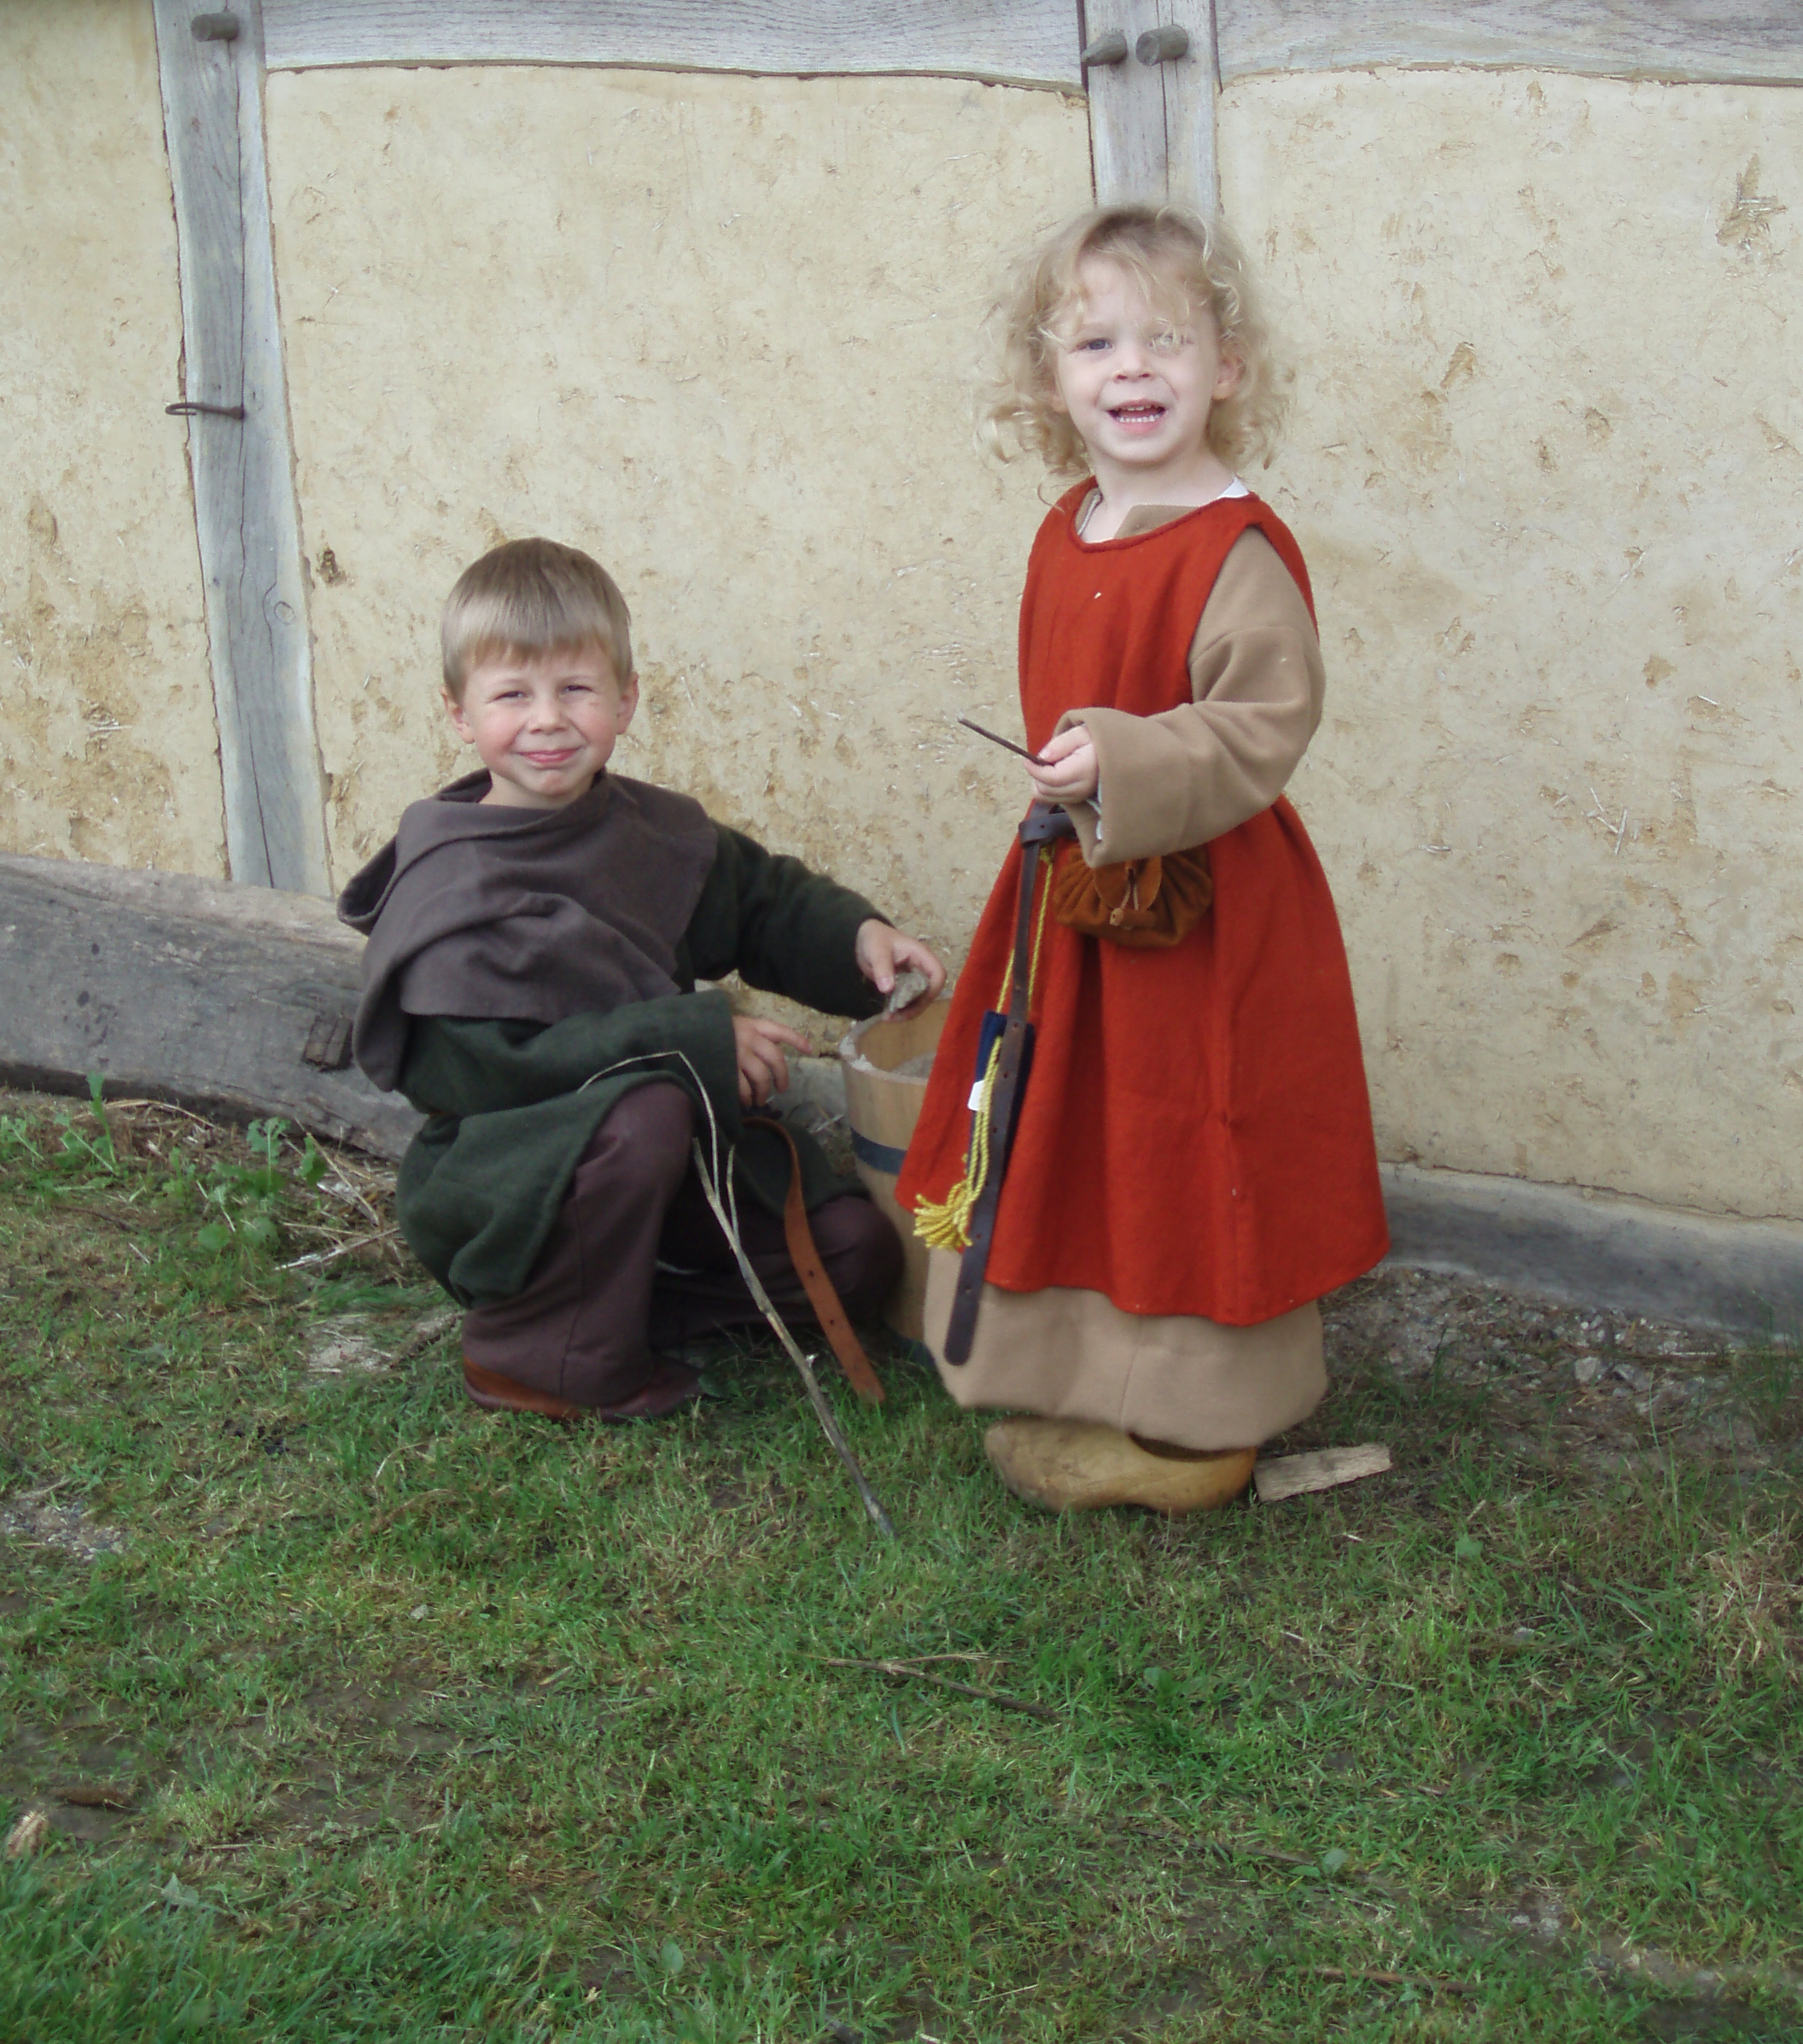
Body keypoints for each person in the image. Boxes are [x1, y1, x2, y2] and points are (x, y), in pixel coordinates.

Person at [896, 204, 1389, 1513]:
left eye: (1168, 339)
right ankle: (1076, 1373)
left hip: (1200, 908)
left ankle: (1198, 1433)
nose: (1133, 368)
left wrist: (1120, 759)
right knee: (1071, 1123)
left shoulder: (1234, 547)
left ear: (1228, 367)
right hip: (1074, 895)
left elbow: (1263, 722)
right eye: (1097, 342)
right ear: (1049, 377)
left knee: (1187, 1136)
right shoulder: (1070, 526)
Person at [340, 538, 945, 1422]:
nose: (548, 720)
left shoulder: (647, 832)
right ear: (459, 712)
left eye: (575, 689)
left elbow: (762, 903)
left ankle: (616, 1312)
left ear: (625, 700)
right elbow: (481, 1072)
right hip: (517, 1185)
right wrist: (697, 1039)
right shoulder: (448, 882)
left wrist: (860, 937)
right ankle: (530, 1349)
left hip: (672, 1161)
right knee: (647, 1111)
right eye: (512, 694)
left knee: (853, 1254)